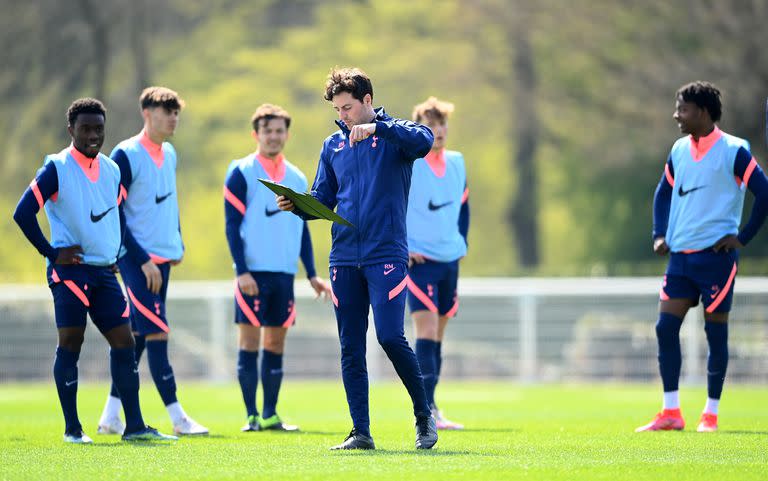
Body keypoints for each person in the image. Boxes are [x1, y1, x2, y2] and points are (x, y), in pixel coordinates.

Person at [277, 67, 438, 450]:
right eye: (338, 108)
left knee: (389, 336)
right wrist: (298, 205)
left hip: (386, 254)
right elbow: (323, 199)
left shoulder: (396, 134)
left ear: (368, 101)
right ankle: (361, 432)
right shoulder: (332, 145)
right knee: (350, 345)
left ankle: (423, 416)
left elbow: (425, 141)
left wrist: (379, 129)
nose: (343, 115)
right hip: (344, 257)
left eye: (348, 107)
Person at [13, 98, 176, 443]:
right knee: (71, 343)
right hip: (70, 274)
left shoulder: (112, 169)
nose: (93, 135)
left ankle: (133, 427)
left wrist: (114, 250)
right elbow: (23, 213)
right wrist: (51, 252)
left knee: (126, 342)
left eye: (98, 128)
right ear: (70, 129)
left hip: (104, 274)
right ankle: (73, 429)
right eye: (85, 128)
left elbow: (115, 212)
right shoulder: (56, 168)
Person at [637, 81, 768, 433]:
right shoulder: (679, 149)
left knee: (716, 334)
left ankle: (709, 414)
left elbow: (764, 192)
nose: (676, 115)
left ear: (704, 112)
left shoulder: (734, 151)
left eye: (683, 108)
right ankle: (671, 412)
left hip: (716, 260)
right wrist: (659, 234)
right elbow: (662, 191)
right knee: (665, 328)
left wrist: (742, 238)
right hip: (680, 258)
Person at [96, 87, 208, 436]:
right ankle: (177, 417)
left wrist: (176, 242)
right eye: (166, 111)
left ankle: (110, 416)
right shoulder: (126, 154)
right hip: (136, 260)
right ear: (147, 113)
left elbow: (168, 202)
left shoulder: (170, 153)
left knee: (140, 336)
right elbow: (115, 210)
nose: (173, 118)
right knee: (158, 332)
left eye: (176, 112)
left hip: (162, 259)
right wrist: (141, 259)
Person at [224, 103, 331, 432]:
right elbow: (232, 226)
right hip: (252, 275)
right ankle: (251, 416)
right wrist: (242, 270)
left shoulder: (297, 177)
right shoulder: (241, 171)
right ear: (256, 134)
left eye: (279, 131)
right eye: (267, 131)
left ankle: (270, 414)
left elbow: (302, 228)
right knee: (249, 344)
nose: (273, 136)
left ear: (287, 134)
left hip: (284, 274)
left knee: (275, 344)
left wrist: (311, 273)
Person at [406, 97, 469, 430]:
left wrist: (462, 242)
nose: (438, 130)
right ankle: (424, 410)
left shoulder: (458, 162)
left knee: (439, 335)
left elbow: (464, 205)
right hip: (420, 261)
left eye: (442, 123)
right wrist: (402, 247)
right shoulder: (412, 163)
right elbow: (393, 204)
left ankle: (434, 406)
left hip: (449, 259)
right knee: (426, 331)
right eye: (430, 124)